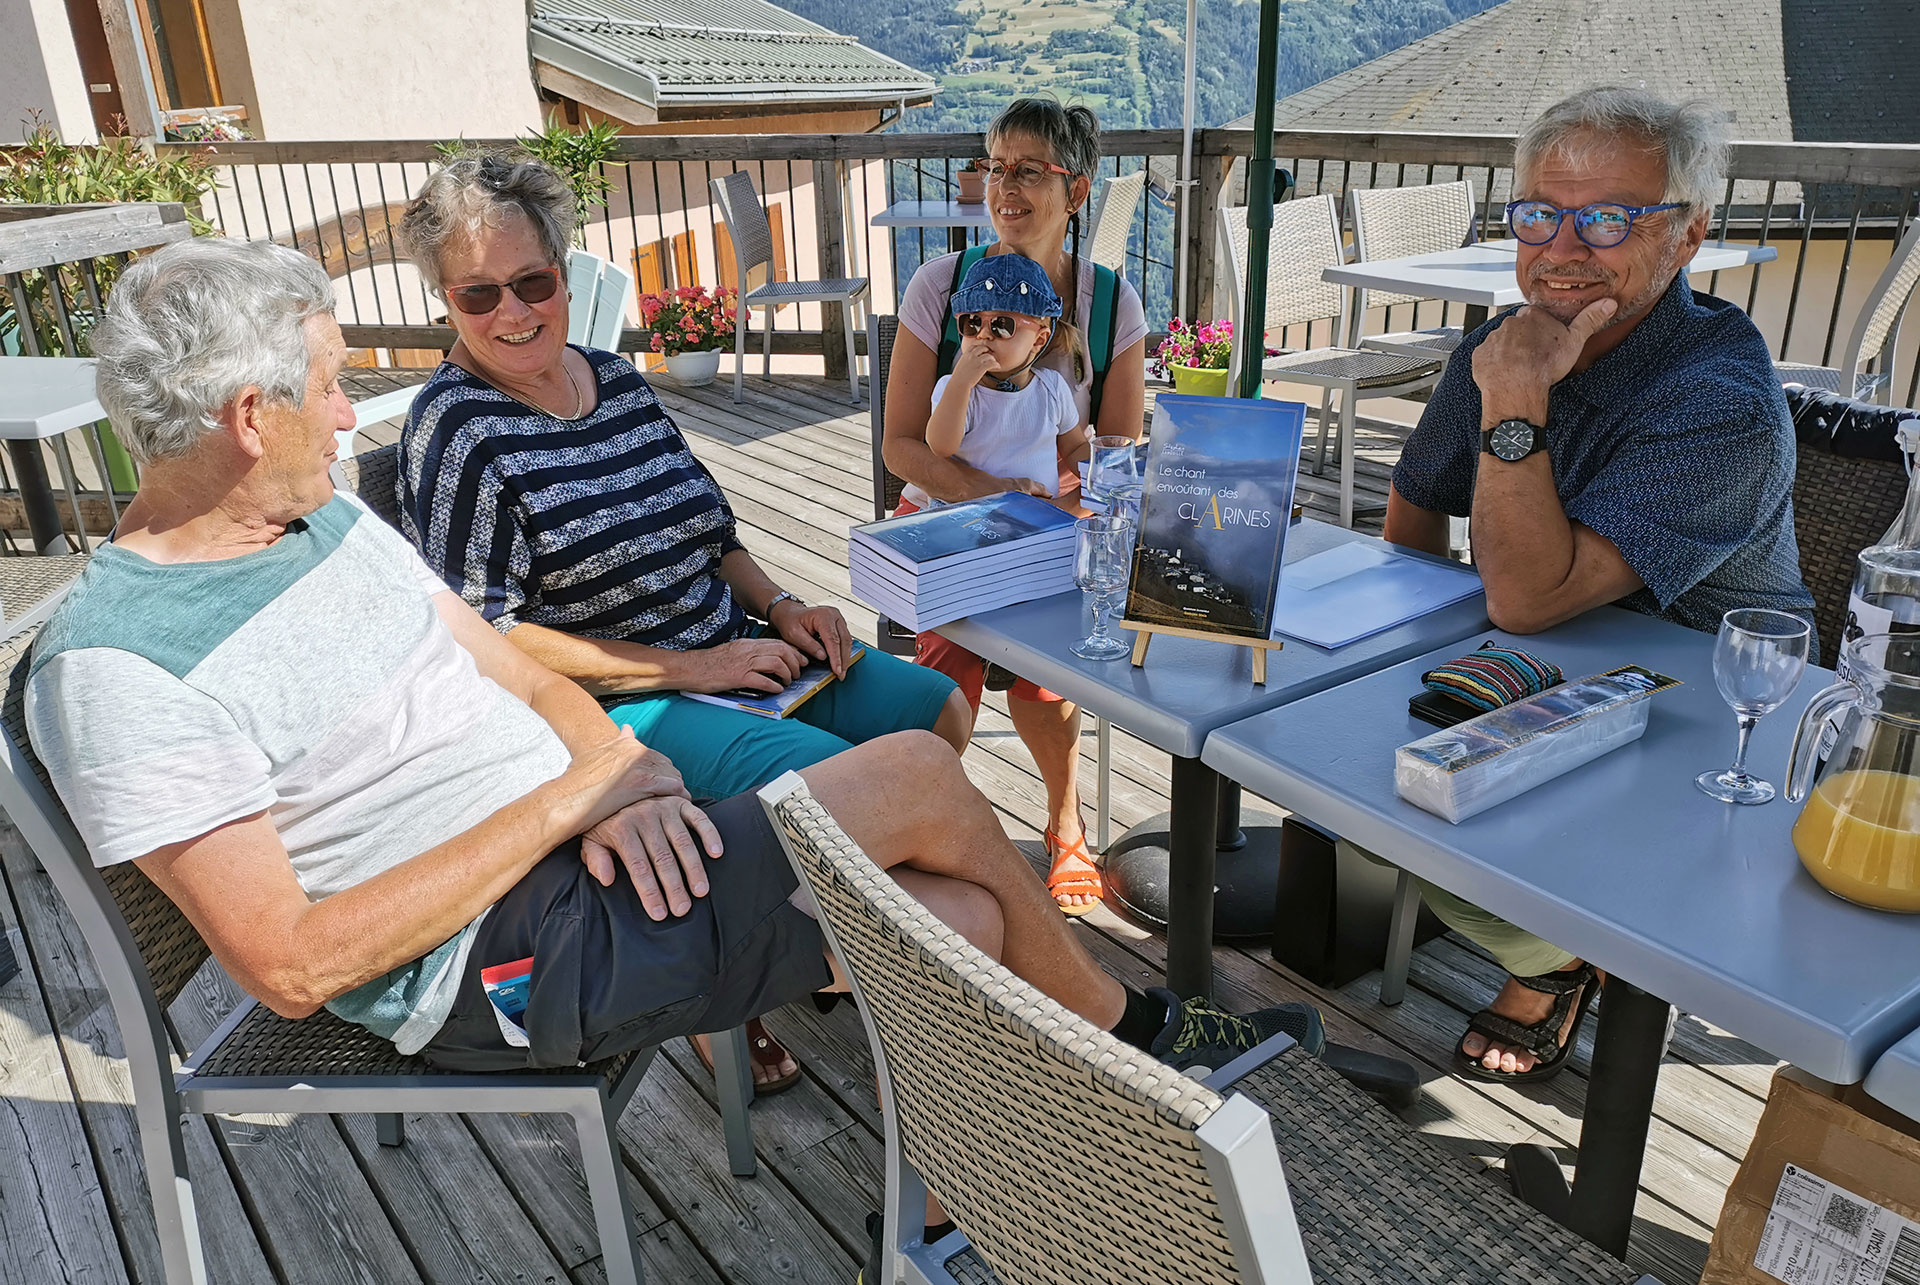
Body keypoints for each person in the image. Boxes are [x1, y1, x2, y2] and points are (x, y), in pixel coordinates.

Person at [28, 240, 1323, 1234]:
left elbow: (504, 672)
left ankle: (947, 1209)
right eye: (327, 387)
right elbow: (295, 965)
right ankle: (1132, 1046)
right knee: (925, 783)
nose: (352, 407)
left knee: (962, 909)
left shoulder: (326, 528)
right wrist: (572, 798)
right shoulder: (120, 666)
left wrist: (620, 765)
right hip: (486, 959)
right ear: (250, 417)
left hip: (590, 839)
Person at [391, 151, 969, 1089]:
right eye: (478, 294)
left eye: (533, 282)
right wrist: (690, 671)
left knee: (935, 710)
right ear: (445, 299)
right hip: (619, 706)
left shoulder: (614, 378)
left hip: (737, 652)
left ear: (564, 271)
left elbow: (713, 534)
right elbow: (489, 640)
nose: (513, 312)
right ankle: (744, 982)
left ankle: (809, 932)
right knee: (845, 790)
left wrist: (784, 608)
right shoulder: (455, 429)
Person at [1380, 87, 1817, 1082]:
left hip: (1719, 716)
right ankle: (1564, 939)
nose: (1564, 248)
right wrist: (1389, 648)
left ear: (1690, 234)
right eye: (1540, 212)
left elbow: (1532, 596)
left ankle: (1568, 958)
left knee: (1427, 817)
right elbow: (1413, 499)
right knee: (1350, 785)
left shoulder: (1722, 398)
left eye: (1610, 217)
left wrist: (1517, 397)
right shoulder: (1505, 342)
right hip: (1547, 670)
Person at [885, 98, 1149, 914]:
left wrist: (1050, 505)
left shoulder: (1110, 305)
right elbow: (903, 444)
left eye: (1029, 169)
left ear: (1077, 190)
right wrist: (997, 499)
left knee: (1046, 681)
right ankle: (928, 826)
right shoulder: (942, 284)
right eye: (997, 165)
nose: (1006, 184)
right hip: (948, 523)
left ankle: (1064, 820)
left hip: (1052, 528)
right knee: (946, 688)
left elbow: (1110, 453)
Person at [909, 253, 1087, 508]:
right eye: (972, 323)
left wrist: (1105, 468)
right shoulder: (955, 389)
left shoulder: (1052, 388)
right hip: (965, 514)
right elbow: (940, 446)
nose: (983, 335)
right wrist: (961, 383)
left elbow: (1074, 449)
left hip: (1038, 513)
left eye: (1002, 326)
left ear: (1038, 340)